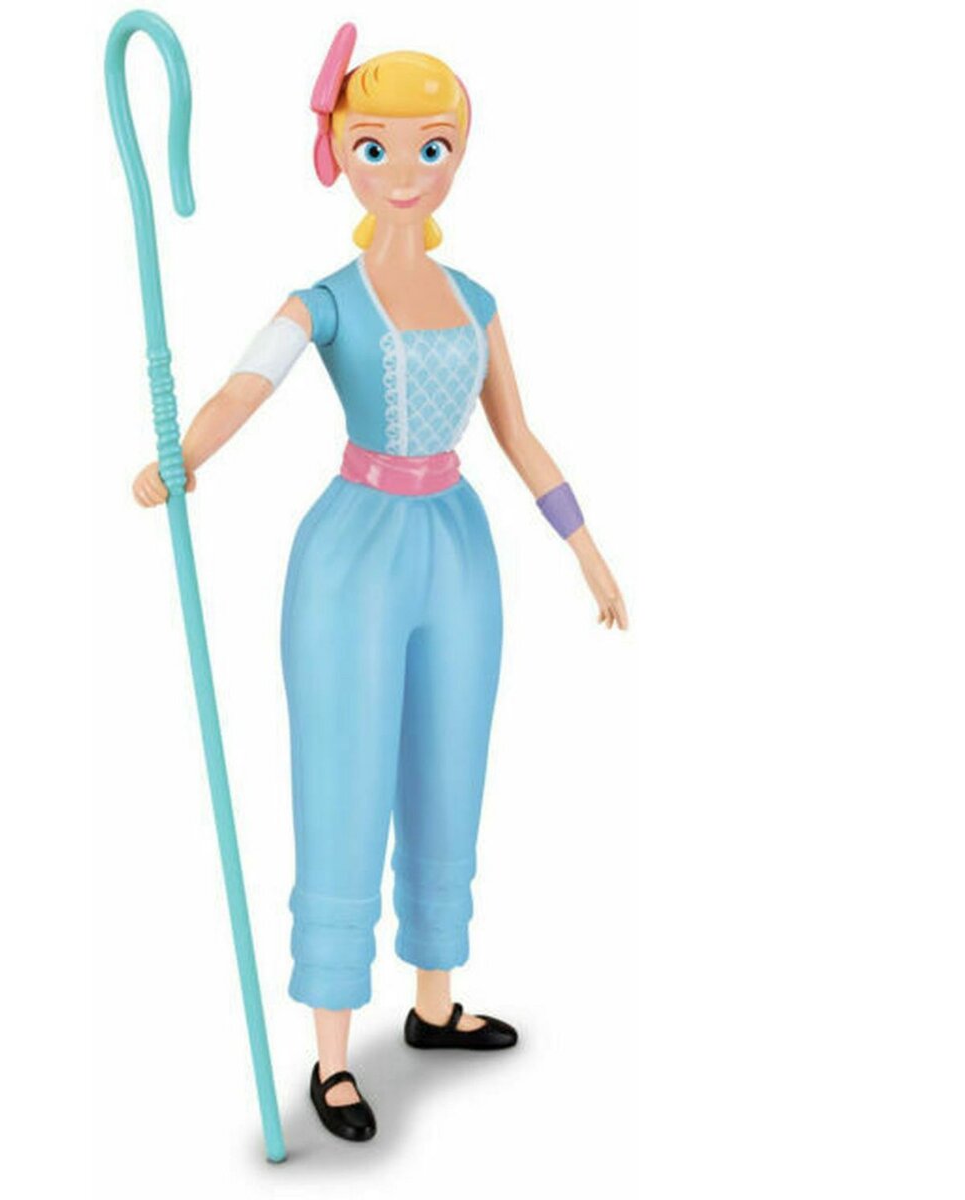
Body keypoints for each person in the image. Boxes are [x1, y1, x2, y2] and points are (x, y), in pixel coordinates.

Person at [132, 25, 627, 1143]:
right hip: (352, 557)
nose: (404, 169)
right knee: (345, 777)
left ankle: (436, 1002)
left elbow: (519, 435)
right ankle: (331, 1056)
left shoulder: (478, 301)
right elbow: (244, 387)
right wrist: (184, 455)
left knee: (451, 764)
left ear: (457, 155)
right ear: (341, 156)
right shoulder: (321, 300)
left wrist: (584, 544)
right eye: (376, 146)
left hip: (457, 547)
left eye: (430, 146)